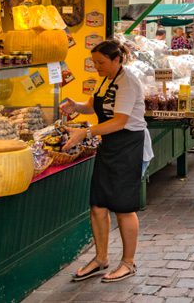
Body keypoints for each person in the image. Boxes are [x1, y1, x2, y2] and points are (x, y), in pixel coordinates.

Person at [61, 40, 153, 284]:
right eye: (94, 63)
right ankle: (101, 258)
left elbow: (119, 121)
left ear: (116, 60)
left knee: (124, 207)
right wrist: (75, 106)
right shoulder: (105, 79)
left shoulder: (128, 81)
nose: (96, 67)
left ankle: (128, 263)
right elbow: (92, 107)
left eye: (101, 62)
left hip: (128, 145)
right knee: (98, 205)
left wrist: (85, 133)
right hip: (110, 146)